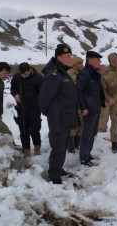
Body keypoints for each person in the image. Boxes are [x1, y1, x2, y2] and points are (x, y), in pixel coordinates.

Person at [39, 44, 78, 184]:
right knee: (58, 147)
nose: (70, 59)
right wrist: (51, 113)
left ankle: (58, 168)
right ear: (59, 57)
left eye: (71, 56)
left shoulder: (62, 71)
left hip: (65, 116)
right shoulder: (53, 73)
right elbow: (44, 98)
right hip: (58, 117)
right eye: (68, 56)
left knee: (63, 145)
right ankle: (54, 175)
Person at [76, 51, 105, 166]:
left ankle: (88, 154)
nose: (100, 61)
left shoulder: (93, 73)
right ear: (91, 60)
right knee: (86, 134)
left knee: (92, 133)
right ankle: (83, 158)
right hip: (88, 109)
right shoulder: (84, 74)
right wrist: (83, 107)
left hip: (96, 107)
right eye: (98, 59)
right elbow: (78, 91)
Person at [10, 62, 43, 157]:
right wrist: (15, 94)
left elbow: (44, 91)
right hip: (21, 108)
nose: (24, 76)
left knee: (35, 128)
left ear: (29, 71)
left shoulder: (38, 78)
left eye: (26, 74)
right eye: (22, 74)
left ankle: (37, 147)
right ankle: (26, 149)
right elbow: (13, 88)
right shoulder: (16, 77)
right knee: (23, 129)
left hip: (35, 107)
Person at [66, 55, 84, 153]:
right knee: (73, 127)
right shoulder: (69, 74)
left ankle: (77, 146)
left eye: (82, 63)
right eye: (80, 63)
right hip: (72, 105)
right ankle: (71, 148)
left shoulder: (81, 73)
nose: (82, 65)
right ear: (74, 64)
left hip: (81, 104)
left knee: (80, 126)